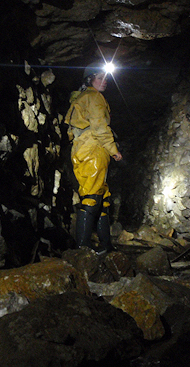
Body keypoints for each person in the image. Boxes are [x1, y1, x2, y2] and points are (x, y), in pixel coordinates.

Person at [65, 62, 122, 253]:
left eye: (105, 78)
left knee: (101, 197)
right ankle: (82, 248)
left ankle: (105, 245)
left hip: (85, 149)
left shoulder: (81, 98)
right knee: (91, 196)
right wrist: (113, 149)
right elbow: (99, 127)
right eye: (100, 77)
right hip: (93, 150)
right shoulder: (94, 97)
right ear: (90, 80)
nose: (104, 81)